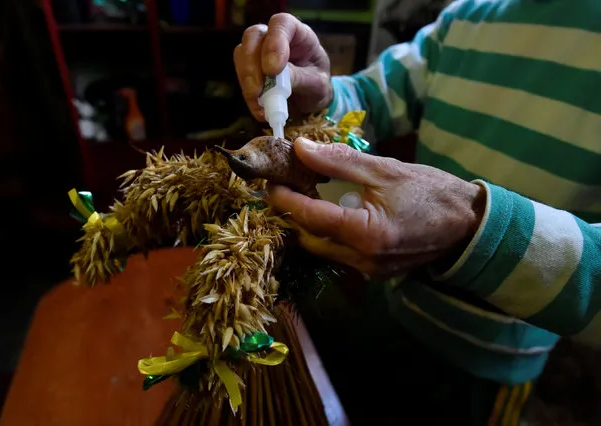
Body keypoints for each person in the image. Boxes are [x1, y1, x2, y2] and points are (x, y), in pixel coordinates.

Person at [234, 1, 601, 424]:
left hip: (487, 360)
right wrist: (321, 96)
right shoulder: (467, 16)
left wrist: (478, 231)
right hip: (390, 304)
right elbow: (372, 97)